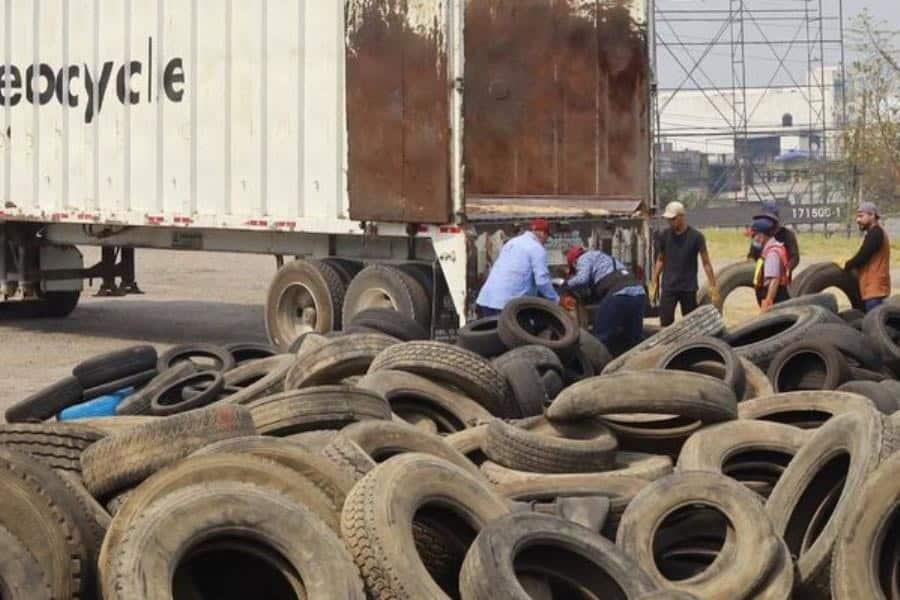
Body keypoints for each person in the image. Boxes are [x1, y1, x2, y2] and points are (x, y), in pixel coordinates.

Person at [563, 246, 646, 355]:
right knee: (633, 338)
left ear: (574, 262)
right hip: (639, 293)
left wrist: (565, 284)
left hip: (619, 294)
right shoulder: (605, 258)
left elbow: (582, 279)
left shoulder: (583, 258)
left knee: (601, 336)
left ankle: (599, 367)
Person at [651, 202, 720, 326]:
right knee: (665, 322)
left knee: (690, 323)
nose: (670, 222)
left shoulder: (696, 237)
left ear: (682, 217)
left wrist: (713, 286)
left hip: (688, 288)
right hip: (669, 287)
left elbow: (706, 263)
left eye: (673, 219)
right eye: (668, 219)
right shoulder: (664, 236)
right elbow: (661, 259)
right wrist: (655, 279)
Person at [475, 218, 559, 317]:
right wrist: (555, 300)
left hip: (486, 299)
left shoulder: (512, 242)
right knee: (523, 331)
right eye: (547, 236)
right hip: (507, 305)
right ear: (542, 234)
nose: (546, 240)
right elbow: (542, 281)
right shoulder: (536, 248)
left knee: (493, 332)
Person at [842, 202, 891, 313]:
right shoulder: (873, 233)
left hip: (875, 290)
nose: (857, 220)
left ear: (872, 215)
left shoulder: (876, 233)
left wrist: (848, 265)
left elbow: (863, 255)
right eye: (857, 216)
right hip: (871, 289)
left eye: (861, 216)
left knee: (873, 324)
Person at [747, 202, 800, 277]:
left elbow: (795, 257)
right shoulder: (759, 236)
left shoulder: (787, 235)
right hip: (761, 275)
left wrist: (786, 269)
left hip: (780, 277)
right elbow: (751, 256)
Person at [751, 218, 791, 312]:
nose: (754, 239)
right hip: (777, 295)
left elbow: (774, 280)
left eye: (754, 235)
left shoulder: (772, 253)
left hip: (777, 297)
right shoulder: (772, 248)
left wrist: (768, 303)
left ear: (761, 235)